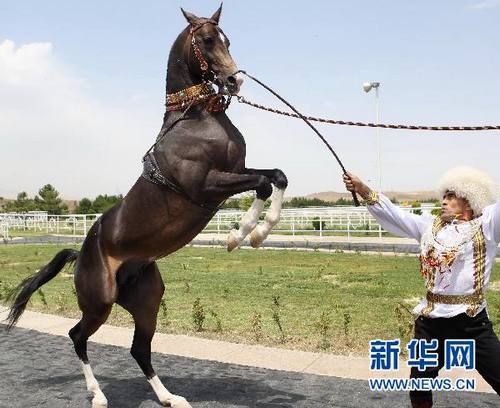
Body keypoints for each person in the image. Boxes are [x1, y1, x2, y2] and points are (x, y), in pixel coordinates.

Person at [343, 166, 500, 408]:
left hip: (471, 323)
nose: (444, 201)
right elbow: (396, 215)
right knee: (419, 386)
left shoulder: (486, 226)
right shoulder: (430, 228)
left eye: (451, 197)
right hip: (430, 322)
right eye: (444, 196)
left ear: (468, 201)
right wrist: (363, 189)